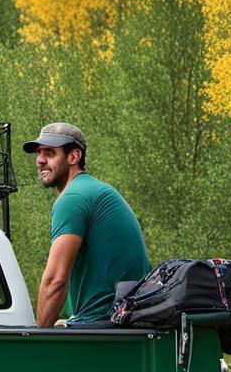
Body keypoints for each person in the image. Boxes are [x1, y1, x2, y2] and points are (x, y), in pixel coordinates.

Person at [23, 122, 149, 327]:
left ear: (74, 157)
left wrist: (39, 339)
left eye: (50, 153)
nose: (40, 160)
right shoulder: (94, 190)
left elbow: (55, 281)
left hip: (103, 325)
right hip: (125, 320)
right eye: (39, 153)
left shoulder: (73, 198)